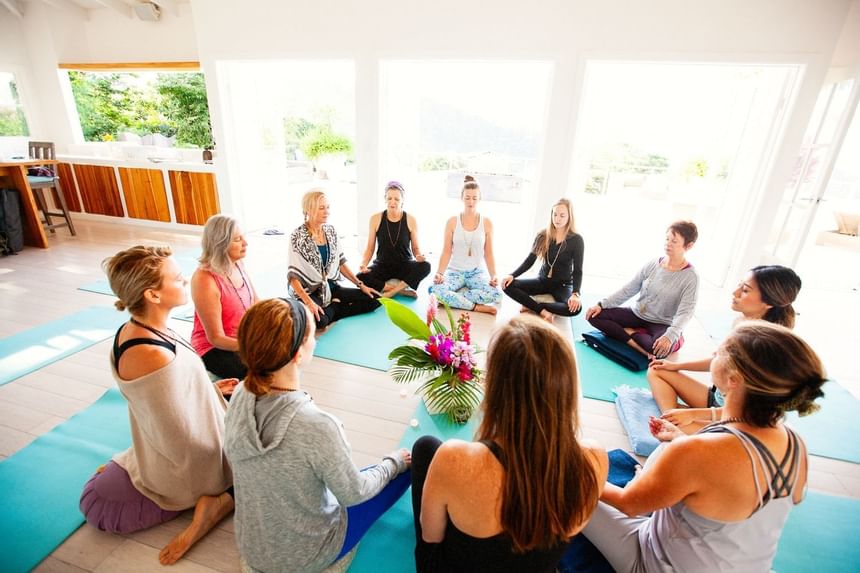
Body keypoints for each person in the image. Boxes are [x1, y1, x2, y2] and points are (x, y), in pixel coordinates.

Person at [583, 321, 825, 573]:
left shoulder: (697, 450)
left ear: (733, 379)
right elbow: (729, 489)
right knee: (669, 451)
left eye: (719, 353)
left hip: (656, 564)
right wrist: (678, 439)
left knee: (573, 470)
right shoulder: (795, 442)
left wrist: (591, 466)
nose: (713, 355)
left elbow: (629, 504)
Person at [225, 298, 412, 573]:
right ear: (298, 355)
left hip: (253, 547)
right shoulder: (317, 425)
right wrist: (394, 462)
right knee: (405, 466)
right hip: (307, 556)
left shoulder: (239, 395)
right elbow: (354, 493)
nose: (316, 341)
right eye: (312, 335)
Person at [411, 315, 608, 572]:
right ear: (566, 388)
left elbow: (431, 538)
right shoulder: (595, 460)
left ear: (494, 387)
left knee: (425, 447)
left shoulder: (454, 459)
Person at [79, 246, 235, 565]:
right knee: (276, 450)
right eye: (177, 279)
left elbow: (168, 402)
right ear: (152, 294)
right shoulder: (151, 355)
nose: (185, 281)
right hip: (188, 465)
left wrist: (211, 390)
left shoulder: (141, 328)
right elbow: (185, 439)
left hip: (186, 434)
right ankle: (219, 504)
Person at [648, 265, 802, 433]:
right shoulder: (741, 322)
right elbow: (720, 361)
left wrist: (694, 414)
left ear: (769, 302)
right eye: (740, 285)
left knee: (685, 421)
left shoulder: (766, 346)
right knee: (656, 370)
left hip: (737, 418)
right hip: (718, 400)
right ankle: (672, 419)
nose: (735, 292)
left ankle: (676, 424)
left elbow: (749, 412)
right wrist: (675, 366)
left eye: (745, 290)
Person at [585, 221, 699, 359]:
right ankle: (632, 337)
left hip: (662, 323)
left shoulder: (691, 277)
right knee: (593, 316)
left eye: (674, 241)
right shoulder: (654, 263)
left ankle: (633, 333)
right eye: (667, 239)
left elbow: (686, 312)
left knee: (656, 349)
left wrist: (671, 335)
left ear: (689, 245)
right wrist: (601, 304)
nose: (668, 243)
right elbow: (629, 288)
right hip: (638, 313)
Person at [289, 189, 381, 329]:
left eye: (328, 207)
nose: (327, 211)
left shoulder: (330, 231)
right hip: (310, 291)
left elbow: (341, 262)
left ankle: (334, 308)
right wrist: (309, 302)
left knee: (375, 299)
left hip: (331, 288)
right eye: (321, 208)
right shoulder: (298, 236)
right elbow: (293, 276)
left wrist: (361, 285)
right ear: (308, 210)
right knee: (319, 321)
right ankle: (336, 307)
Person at [191, 215, 258, 379]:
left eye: (243, 237)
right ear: (220, 244)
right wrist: (254, 346)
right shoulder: (204, 279)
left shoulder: (237, 263)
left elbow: (256, 303)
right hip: (214, 348)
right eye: (237, 239)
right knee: (257, 375)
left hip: (243, 337)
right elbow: (215, 338)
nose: (245, 243)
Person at [501, 198, 585, 322]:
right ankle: (542, 310)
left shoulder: (577, 240)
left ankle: (533, 305)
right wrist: (512, 275)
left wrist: (576, 294)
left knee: (575, 308)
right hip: (542, 281)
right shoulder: (543, 235)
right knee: (507, 285)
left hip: (563, 285)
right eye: (555, 214)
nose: (557, 219)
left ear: (569, 217)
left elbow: (578, 270)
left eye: (562, 215)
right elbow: (529, 261)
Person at [429, 175, 502, 315]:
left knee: (497, 294)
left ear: (479, 198)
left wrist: (494, 276)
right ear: (461, 198)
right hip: (455, 270)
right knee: (434, 290)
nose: (471, 201)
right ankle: (477, 307)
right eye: (467, 197)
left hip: (476, 272)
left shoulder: (486, 223)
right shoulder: (452, 222)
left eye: (475, 198)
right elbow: (446, 251)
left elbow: (489, 253)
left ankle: (453, 300)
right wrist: (440, 273)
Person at [357, 181, 431, 298]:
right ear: (385, 199)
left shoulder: (411, 219)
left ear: (402, 201)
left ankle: (391, 292)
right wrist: (363, 264)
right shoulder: (375, 219)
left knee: (426, 266)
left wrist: (419, 257)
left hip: (404, 264)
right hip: (382, 264)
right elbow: (370, 249)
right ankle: (400, 290)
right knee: (359, 277)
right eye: (389, 198)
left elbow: (416, 248)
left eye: (396, 199)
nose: (393, 202)